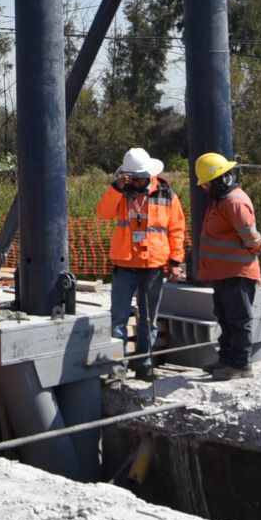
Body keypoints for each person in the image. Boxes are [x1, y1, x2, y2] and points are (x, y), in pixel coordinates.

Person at [95, 147, 187, 383]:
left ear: (148, 174)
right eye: (130, 178)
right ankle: (117, 367)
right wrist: (116, 188)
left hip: (153, 266)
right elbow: (103, 213)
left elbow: (176, 230)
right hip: (125, 266)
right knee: (118, 320)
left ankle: (144, 364)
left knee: (148, 320)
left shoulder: (166, 194)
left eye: (138, 178)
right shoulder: (120, 192)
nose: (134, 182)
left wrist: (176, 261)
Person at [192, 152, 261, 380]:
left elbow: (250, 237)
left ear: (221, 180)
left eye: (207, 184)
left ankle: (241, 365)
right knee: (224, 318)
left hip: (238, 272)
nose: (205, 189)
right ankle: (226, 359)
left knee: (238, 320)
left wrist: (258, 248)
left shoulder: (234, 202)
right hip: (223, 272)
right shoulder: (220, 200)